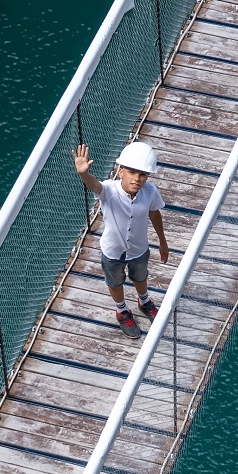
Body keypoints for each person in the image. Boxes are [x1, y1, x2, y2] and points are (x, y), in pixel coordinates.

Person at [73, 140, 171, 337]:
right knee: (115, 282)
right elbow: (95, 185)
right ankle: (122, 310)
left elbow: (154, 214)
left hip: (138, 249)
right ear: (121, 172)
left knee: (140, 276)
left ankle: (144, 302)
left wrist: (162, 241)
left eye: (143, 174)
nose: (137, 178)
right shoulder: (109, 190)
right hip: (113, 251)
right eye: (132, 172)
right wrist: (83, 173)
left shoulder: (150, 192)